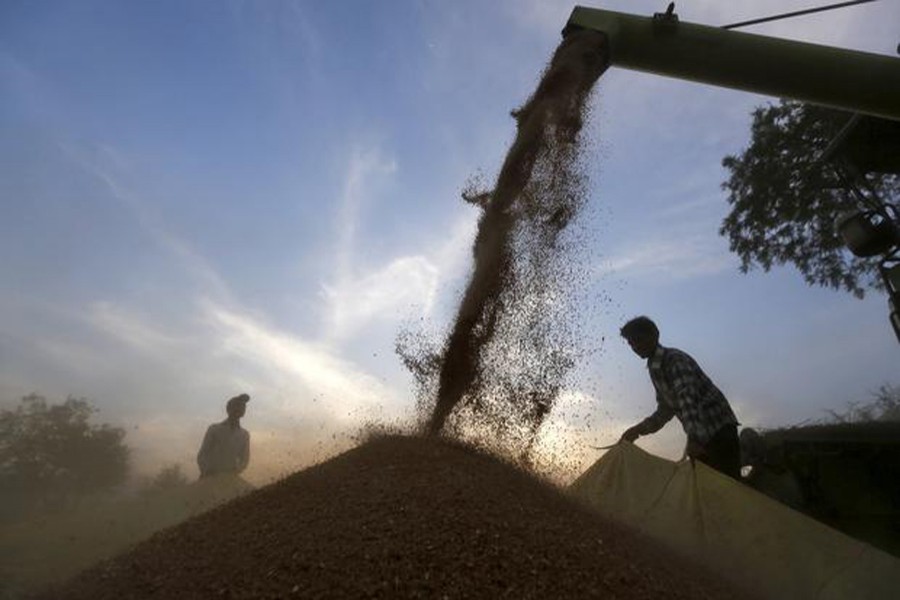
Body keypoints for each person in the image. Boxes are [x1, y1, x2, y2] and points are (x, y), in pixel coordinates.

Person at [618, 316, 741, 479]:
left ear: (655, 334)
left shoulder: (674, 360)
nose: (636, 347)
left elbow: (687, 398)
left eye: (639, 340)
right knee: (709, 489)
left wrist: (694, 439)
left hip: (717, 429)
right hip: (701, 433)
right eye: (631, 344)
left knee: (726, 487)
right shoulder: (655, 368)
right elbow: (665, 410)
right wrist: (638, 430)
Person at [197, 393, 251, 478]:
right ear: (229, 409)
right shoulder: (214, 429)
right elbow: (202, 455)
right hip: (210, 478)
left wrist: (236, 470)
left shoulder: (244, 435)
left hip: (230, 479)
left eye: (243, 406)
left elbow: (245, 459)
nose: (241, 407)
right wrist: (207, 470)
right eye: (238, 405)